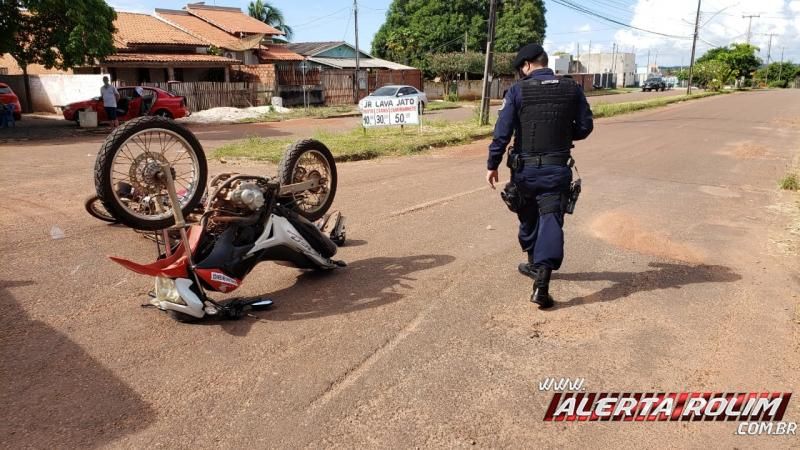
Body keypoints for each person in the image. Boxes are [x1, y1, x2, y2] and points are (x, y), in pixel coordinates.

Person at [486, 43, 594, 309]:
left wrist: (492, 164)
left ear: (526, 65)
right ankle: (541, 281)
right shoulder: (572, 88)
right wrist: (563, 134)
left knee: (527, 215)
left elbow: (502, 132)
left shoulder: (517, 91)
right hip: (556, 169)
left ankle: (535, 265)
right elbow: (585, 126)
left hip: (525, 171)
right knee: (550, 219)